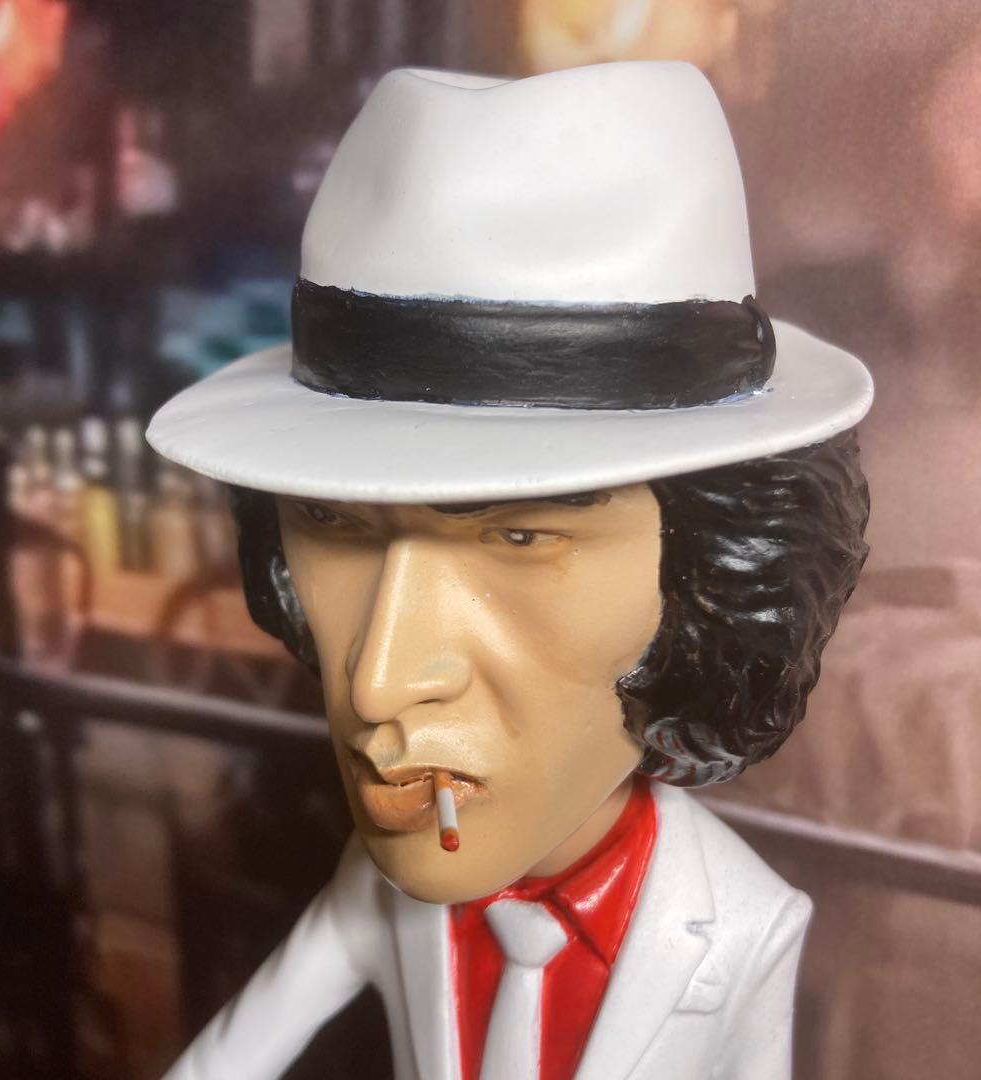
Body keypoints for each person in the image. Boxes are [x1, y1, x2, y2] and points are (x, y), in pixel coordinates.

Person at [148, 61, 872, 1080]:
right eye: (329, 521)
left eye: (522, 539)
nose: (377, 683)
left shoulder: (744, 923)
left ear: (712, 583)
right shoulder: (377, 884)